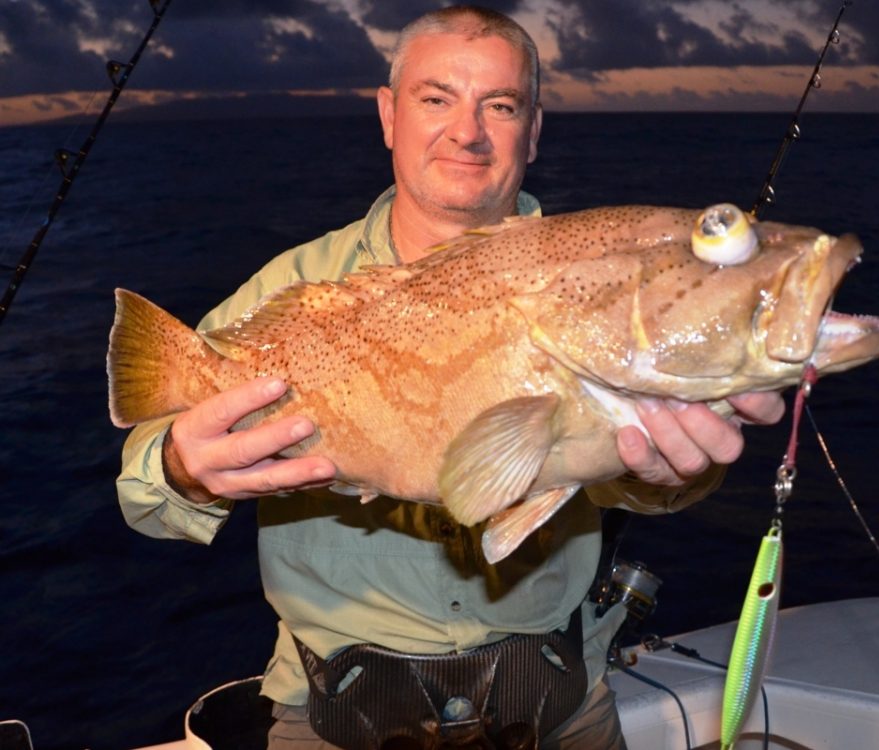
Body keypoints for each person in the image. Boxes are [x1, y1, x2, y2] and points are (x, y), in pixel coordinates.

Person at [117, 6, 784, 748]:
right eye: (436, 99)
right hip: (337, 717)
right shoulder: (295, 286)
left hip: (559, 709)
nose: (467, 132)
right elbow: (142, 495)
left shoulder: (598, 284)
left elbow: (640, 470)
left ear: (533, 129)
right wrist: (185, 468)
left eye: (499, 106)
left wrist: (666, 476)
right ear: (388, 115)